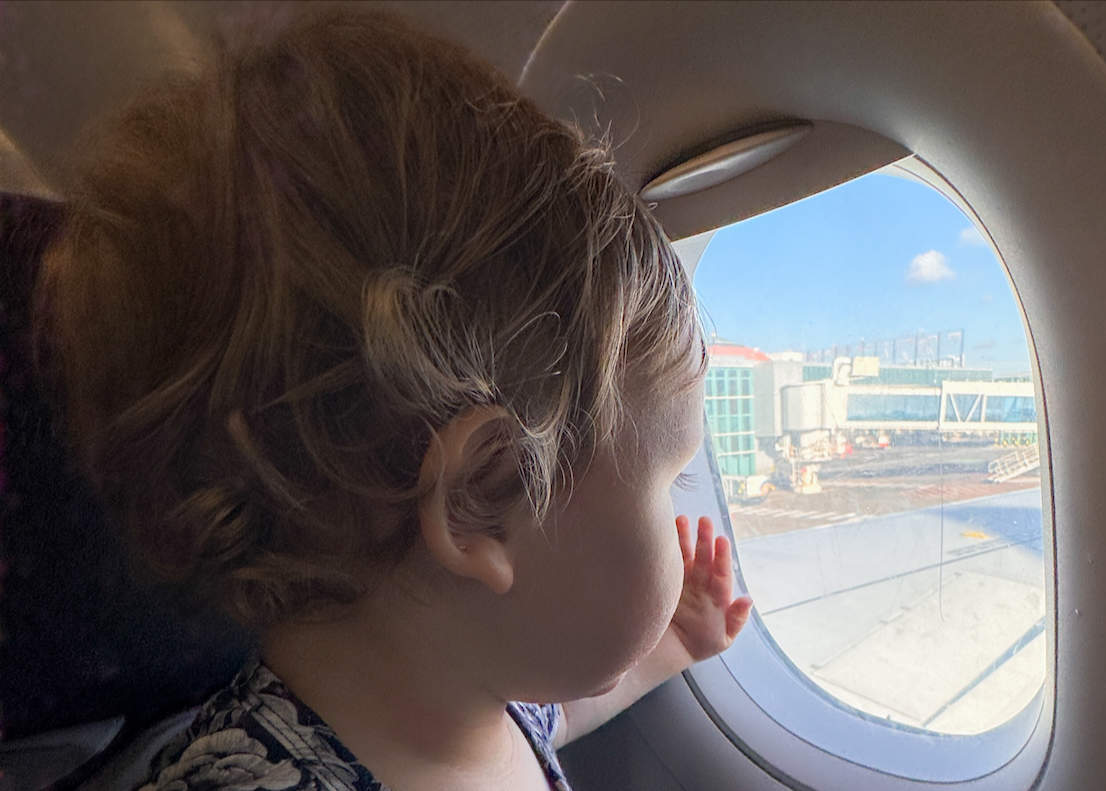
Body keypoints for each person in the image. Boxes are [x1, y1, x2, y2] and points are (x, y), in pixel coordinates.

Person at [36, 7, 752, 790]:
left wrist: (674, 644)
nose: (688, 509)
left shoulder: (480, 697)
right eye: (672, 477)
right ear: (482, 497)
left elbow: (559, 718)